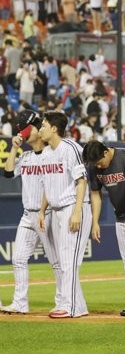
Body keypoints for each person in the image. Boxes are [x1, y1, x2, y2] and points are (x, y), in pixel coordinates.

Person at [0, 110, 62, 315]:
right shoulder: (25, 157)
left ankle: (63, 301)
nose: (27, 134)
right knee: (18, 259)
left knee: (56, 261)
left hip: (48, 214)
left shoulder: (51, 154)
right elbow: (8, 173)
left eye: (31, 129)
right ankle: (20, 302)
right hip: (28, 215)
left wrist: (45, 212)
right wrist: (13, 148)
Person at [35, 111, 90, 319]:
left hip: (73, 208)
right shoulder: (47, 153)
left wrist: (77, 212)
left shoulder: (71, 148)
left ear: (54, 129)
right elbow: (47, 187)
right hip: (57, 210)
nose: (40, 129)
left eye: (43, 125)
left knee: (68, 260)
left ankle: (72, 306)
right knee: (64, 260)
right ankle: (76, 305)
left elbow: (82, 181)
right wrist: (42, 210)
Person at [82, 141, 125, 317]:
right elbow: (95, 194)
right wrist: (95, 222)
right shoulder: (95, 165)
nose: (96, 166)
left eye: (98, 162)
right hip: (120, 215)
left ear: (105, 153)